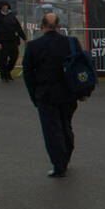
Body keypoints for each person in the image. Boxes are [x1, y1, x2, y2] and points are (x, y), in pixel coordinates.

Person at [22, 12, 86, 177]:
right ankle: (65, 156)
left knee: (52, 130)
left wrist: (34, 95)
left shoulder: (33, 46)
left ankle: (59, 164)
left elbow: (28, 74)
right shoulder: (71, 43)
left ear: (41, 27)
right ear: (59, 27)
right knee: (66, 126)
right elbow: (80, 68)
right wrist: (82, 91)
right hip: (68, 93)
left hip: (46, 95)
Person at [0, 0, 28, 82]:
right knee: (3, 60)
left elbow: (18, 28)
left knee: (14, 57)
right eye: (3, 6)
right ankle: (4, 76)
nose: (5, 8)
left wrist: (24, 38)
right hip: (2, 41)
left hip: (13, 40)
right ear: (0, 7)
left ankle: (7, 71)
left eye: (6, 6)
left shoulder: (12, 16)